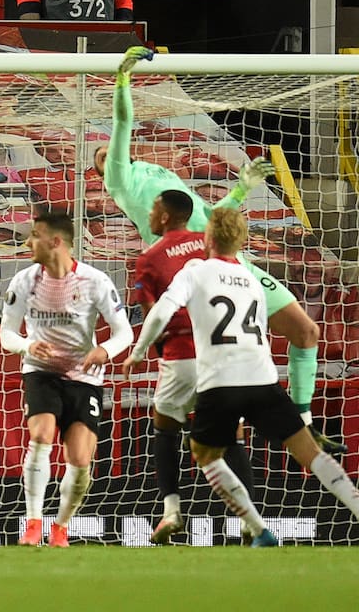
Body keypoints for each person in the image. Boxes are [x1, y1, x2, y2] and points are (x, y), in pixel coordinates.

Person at [98, 46, 343, 454]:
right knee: (231, 386)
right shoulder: (121, 180)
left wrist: (244, 186)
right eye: (102, 157)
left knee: (306, 332)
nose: (111, 155)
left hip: (233, 260)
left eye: (111, 153)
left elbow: (215, 216)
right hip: (197, 270)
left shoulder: (161, 174)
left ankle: (304, 422)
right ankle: (213, 479)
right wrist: (122, 76)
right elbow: (123, 121)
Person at [128, 207, 359, 546]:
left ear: (207, 238)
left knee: (205, 453)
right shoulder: (252, 278)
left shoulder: (195, 270)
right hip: (262, 378)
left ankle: (258, 529)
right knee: (310, 453)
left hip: (221, 381)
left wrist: (138, 351)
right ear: (241, 242)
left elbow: (163, 309)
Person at [121, 190, 259, 544]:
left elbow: (154, 312)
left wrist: (143, 350)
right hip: (225, 357)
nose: (150, 213)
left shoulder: (149, 258)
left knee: (165, 428)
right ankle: (248, 519)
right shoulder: (209, 245)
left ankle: (171, 511)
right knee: (232, 439)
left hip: (181, 355)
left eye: (152, 207)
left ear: (165, 216)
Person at [0, 211, 133, 547]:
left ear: (55, 242)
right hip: (41, 372)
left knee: (79, 459)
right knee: (41, 434)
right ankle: (32, 523)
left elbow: (124, 333)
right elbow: (6, 334)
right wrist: (29, 345)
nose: (28, 242)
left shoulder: (95, 281)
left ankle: (59, 527)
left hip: (84, 376)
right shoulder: (24, 282)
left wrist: (104, 350)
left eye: (35, 235)